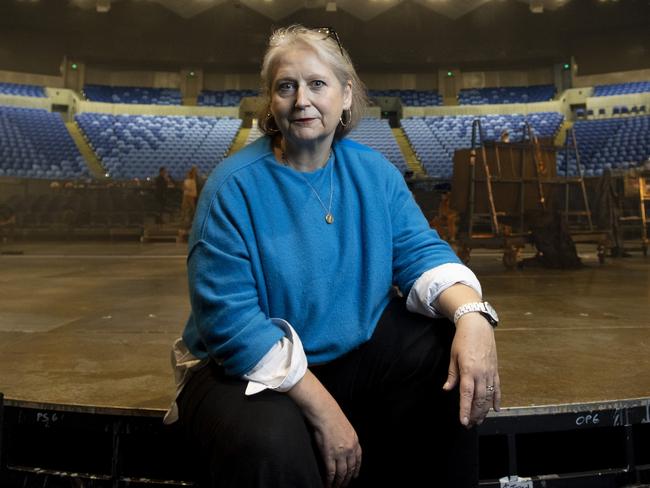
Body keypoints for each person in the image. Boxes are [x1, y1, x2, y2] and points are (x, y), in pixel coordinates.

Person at [165, 25, 500, 488]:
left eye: (317, 84)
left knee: (442, 349)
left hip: (346, 355)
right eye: (287, 86)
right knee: (271, 443)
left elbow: (423, 255)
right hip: (237, 370)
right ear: (272, 102)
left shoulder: (374, 173)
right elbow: (231, 327)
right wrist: (325, 412)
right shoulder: (232, 187)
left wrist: (472, 316)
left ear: (345, 96)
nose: (302, 99)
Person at [181, 166, 198, 231]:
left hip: (190, 196)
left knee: (191, 209)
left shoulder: (192, 181)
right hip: (186, 196)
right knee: (185, 209)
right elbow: (184, 188)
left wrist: (186, 188)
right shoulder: (187, 181)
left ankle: (191, 222)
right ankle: (184, 222)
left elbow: (189, 189)